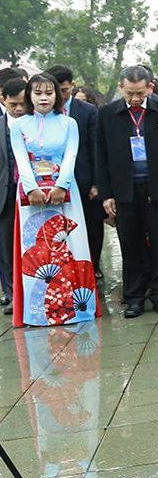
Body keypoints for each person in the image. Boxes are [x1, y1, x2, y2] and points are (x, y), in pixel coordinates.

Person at [9, 74, 99, 327]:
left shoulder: (69, 123)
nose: (44, 97)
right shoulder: (17, 125)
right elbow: (21, 159)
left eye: (49, 92)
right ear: (30, 96)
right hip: (31, 195)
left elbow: (71, 155)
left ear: (57, 95)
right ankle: (40, 312)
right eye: (37, 93)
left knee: (72, 245)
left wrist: (62, 185)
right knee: (35, 248)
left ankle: (76, 308)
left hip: (66, 193)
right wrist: (32, 189)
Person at [96, 65, 158, 318]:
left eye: (140, 93)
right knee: (130, 243)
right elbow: (101, 156)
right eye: (130, 93)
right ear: (121, 88)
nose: (135, 99)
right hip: (125, 189)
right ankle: (134, 296)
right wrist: (107, 194)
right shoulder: (108, 114)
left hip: (157, 188)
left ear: (150, 88)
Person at [45, 65, 105, 276]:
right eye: (55, 91)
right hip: (52, 182)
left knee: (92, 226)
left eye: (64, 90)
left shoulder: (87, 111)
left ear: (71, 85)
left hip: (84, 180)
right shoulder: (44, 113)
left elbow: (97, 149)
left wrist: (98, 182)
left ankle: (93, 266)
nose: (60, 95)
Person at [0, 77, 26, 313]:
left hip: (32, 193)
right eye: (13, 105)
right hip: (5, 194)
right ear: (3, 100)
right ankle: (12, 294)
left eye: (22, 104)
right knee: (6, 246)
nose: (18, 109)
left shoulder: (36, 125)